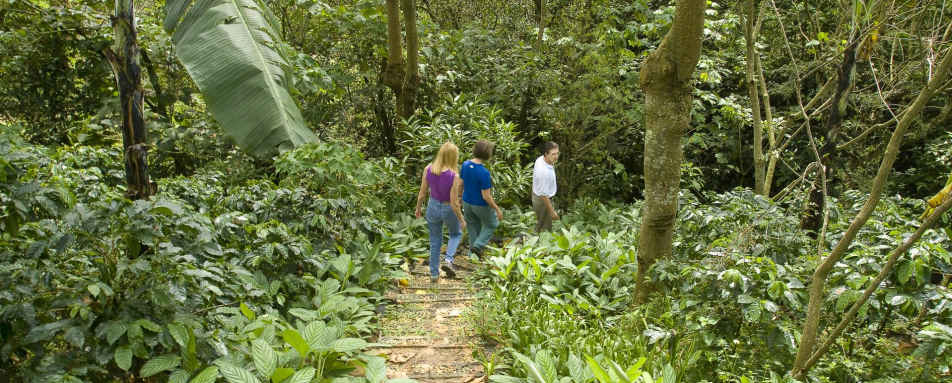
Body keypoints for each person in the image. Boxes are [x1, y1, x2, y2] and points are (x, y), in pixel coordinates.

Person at [415, 142, 466, 283]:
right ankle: (448, 260)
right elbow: (455, 202)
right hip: (448, 208)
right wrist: (461, 219)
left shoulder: (428, 169)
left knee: (435, 240)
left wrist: (418, 208)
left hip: (432, 206)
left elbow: (422, 193)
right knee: (456, 234)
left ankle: (433, 274)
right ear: (453, 157)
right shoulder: (454, 176)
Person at [460, 140, 503, 259]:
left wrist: (459, 199)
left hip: (466, 202)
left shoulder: (466, 164)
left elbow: (460, 184)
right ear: (487, 154)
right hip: (479, 204)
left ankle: (472, 255)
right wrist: (497, 208)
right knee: (492, 223)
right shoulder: (484, 172)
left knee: (473, 227)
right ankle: (478, 246)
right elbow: (486, 196)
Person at [532, 142, 560, 232]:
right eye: (553, 154)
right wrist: (552, 211)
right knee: (545, 228)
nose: (556, 157)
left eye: (557, 153)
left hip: (540, 195)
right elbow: (543, 195)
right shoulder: (543, 171)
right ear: (546, 154)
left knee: (540, 223)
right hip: (542, 201)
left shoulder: (542, 159)